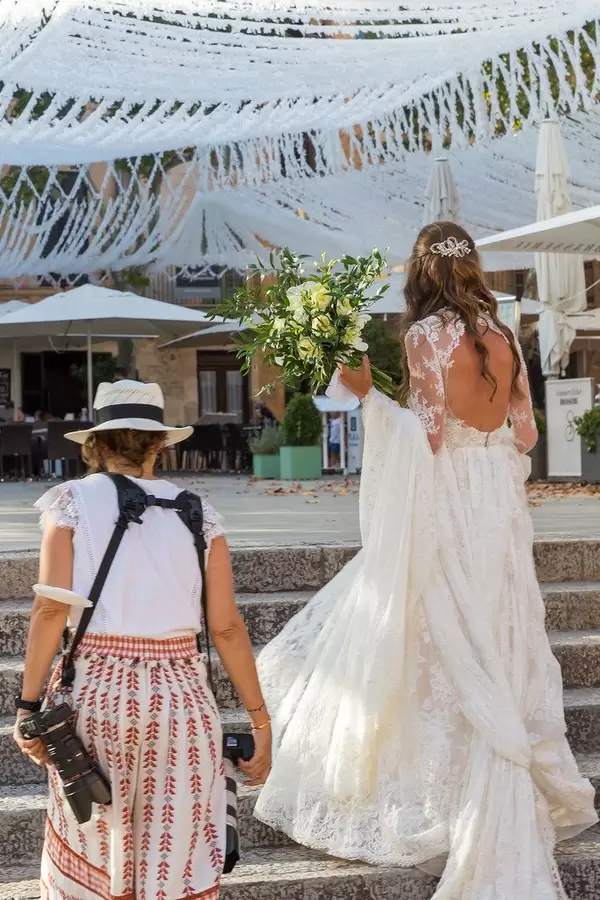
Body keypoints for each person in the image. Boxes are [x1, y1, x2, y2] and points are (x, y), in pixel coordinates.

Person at [253, 223, 597, 899]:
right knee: (496, 631)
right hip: (498, 503)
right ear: (473, 268)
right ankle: (505, 757)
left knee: (444, 630)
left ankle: (454, 784)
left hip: (450, 500)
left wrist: (368, 399)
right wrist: (489, 446)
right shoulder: (502, 335)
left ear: (418, 273)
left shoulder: (424, 337)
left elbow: (427, 437)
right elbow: (524, 431)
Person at [13, 379, 271, 899]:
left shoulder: (70, 503)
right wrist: (260, 720)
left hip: (100, 696)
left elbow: (48, 610)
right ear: (158, 443)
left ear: (96, 443)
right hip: (184, 699)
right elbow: (224, 627)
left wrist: (27, 706)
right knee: (173, 863)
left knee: (92, 849)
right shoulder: (199, 513)